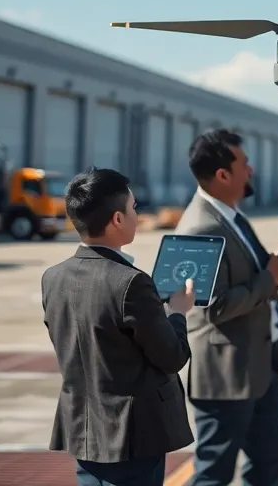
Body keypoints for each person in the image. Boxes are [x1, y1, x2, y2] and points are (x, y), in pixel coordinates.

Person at [42, 167, 198, 486]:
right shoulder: (131, 283)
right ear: (116, 219)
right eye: (133, 208)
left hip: (83, 431)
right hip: (132, 436)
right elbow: (172, 356)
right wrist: (178, 313)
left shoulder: (53, 278)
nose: (136, 215)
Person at [177, 129, 278, 486]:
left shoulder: (231, 215)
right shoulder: (199, 228)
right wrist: (269, 278)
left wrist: (277, 273)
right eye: (244, 165)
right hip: (226, 375)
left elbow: (252, 275)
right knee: (214, 472)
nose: (250, 171)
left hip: (258, 365)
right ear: (222, 175)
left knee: (271, 460)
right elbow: (212, 306)